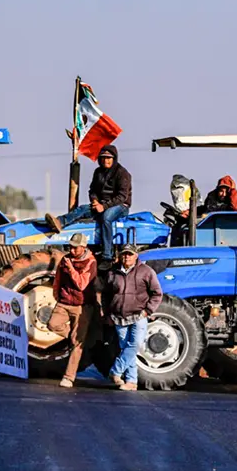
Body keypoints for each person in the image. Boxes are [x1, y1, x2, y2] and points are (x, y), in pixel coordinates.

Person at [44, 144, 131, 268]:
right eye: (103, 158)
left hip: (120, 206)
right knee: (83, 209)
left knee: (106, 218)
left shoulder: (122, 174)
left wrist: (104, 206)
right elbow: (92, 190)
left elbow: (122, 196)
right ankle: (60, 222)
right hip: (101, 204)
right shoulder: (98, 172)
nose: (106, 160)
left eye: (108, 158)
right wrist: (95, 201)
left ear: (114, 158)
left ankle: (107, 255)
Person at [102, 244, 163, 391]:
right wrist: (108, 313)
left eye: (129, 254)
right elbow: (106, 295)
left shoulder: (146, 272)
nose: (126, 257)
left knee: (134, 345)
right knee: (125, 348)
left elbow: (157, 293)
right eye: (124, 254)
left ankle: (116, 371)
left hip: (139, 315)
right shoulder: (113, 273)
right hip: (119, 317)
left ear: (136, 255)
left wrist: (147, 311)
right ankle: (131, 382)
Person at [49, 233, 98, 389]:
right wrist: (56, 293)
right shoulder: (65, 259)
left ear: (83, 247)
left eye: (75, 247)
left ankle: (69, 377)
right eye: (70, 246)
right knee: (52, 324)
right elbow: (58, 277)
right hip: (64, 302)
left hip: (81, 306)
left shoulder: (91, 262)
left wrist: (71, 269)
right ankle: (73, 337)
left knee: (77, 344)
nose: (71, 249)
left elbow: (82, 284)